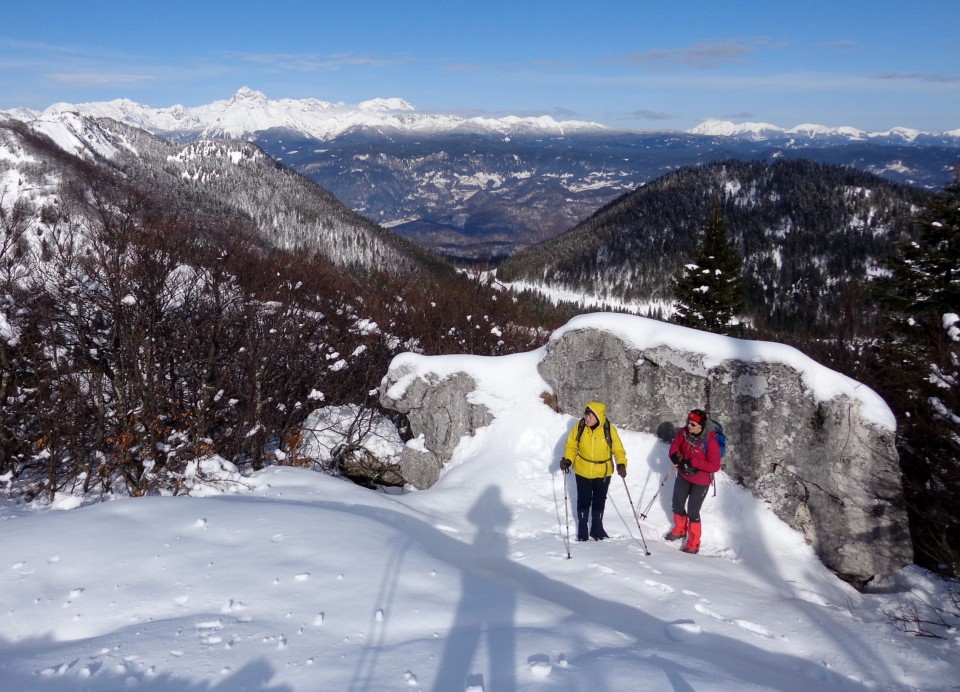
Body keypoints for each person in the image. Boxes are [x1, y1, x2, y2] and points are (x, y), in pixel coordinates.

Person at [560, 401, 628, 541]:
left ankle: (597, 529)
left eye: (590, 415)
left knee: (599, 502)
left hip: (603, 472)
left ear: (598, 416)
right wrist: (568, 460)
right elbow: (571, 445)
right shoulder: (580, 427)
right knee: (583, 501)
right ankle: (582, 530)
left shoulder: (609, 429)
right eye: (586, 414)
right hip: (583, 470)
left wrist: (621, 464)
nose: (587, 418)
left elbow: (618, 450)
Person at [665, 409, 722, 554]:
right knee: (677, 504)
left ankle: (694, 543)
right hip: (684, 475)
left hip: (701, 481)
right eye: (688, 422)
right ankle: (679, 530)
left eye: (693, 424)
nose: (689, 426)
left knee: (693, 511)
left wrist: (692, 462)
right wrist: (674, 457)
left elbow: (714, 466)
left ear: (701, 426)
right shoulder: (684, 433)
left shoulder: (711, 442)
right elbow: (675, 447)